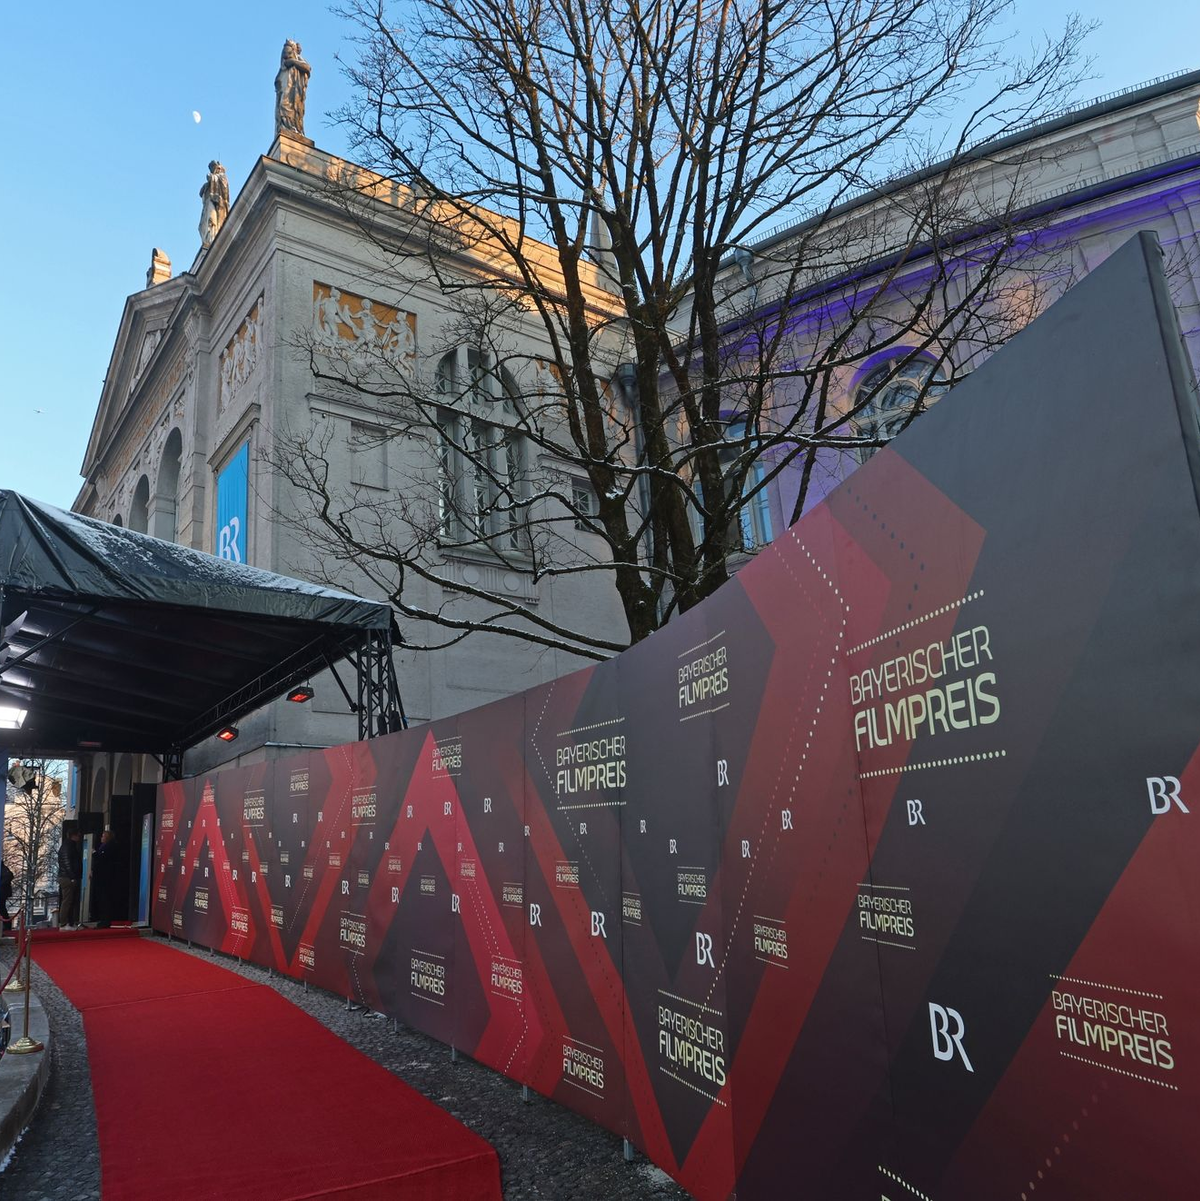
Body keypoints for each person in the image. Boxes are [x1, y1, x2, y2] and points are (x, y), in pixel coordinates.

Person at [91, 830, 118, 929]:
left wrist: (94, 853)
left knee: (104, 899)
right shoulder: (103, 847)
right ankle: (102, 919)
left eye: (103, 836)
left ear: (108, 837)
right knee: (101, 899)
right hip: (100, 877)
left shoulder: (109, 847)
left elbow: (102, 860)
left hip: (105, 878)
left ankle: (105, 920)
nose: (101, 838)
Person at [57, 826, 83, 929]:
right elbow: (67, 862)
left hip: (68, 876)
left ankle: (71, 922)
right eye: (78, 835)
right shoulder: (68, 846)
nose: (79, 837)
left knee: (71, 900)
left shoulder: (68, 845)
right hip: (68, 877)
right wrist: (72, 876)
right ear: (74, 835)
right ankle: (64, 923)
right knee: (67, 900)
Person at [1, 856, 13, 933]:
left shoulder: (3, 869)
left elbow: (9, 876)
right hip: (2, 892)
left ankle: (7, 926)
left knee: (2, 909)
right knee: (2, 909)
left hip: (2, 893)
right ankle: (6, 925)